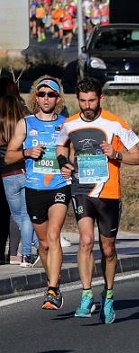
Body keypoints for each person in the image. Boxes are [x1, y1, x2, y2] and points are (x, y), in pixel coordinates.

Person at [56, 78, 139, 323]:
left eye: (91, 100)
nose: (87, 105)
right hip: (81, 188)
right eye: (82, 101)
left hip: (109, 193)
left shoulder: (115, 123)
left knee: (107, 249)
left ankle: (108, 294)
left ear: (100, 99)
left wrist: (116, 154)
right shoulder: (70, 123)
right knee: (85, 241)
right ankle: (86, 295)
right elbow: (60, 148)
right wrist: (65, 164)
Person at [4, 78, 69, 307]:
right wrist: (27, 152)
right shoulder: (26, 123)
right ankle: (55, 281)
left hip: (60, 186)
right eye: (41, 94)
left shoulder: (66, 124)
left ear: (58, 98)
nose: (46, 98)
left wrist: (71, 166)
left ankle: (52, 290)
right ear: (36, 97)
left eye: (51, 95)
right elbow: (8, 156)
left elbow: (76, 154)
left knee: (53, 235)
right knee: (43, 243)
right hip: (34, 188)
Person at [1, 94, 35, 268]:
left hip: (7, 175)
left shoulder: (1, 125)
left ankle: (36, 248)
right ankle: (31, 251)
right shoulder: (24, 125)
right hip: (24, 170)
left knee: (17, 216)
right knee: (26, 215)